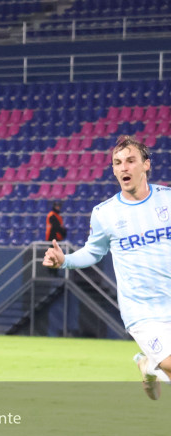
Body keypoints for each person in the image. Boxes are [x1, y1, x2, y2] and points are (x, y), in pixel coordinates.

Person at [43, 135, 171, 402]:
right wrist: (64, 260)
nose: (124, 167)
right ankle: (152, 365)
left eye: (131, 160)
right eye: (117, 162)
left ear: (146, 164)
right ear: (113, 170)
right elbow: (93, 251)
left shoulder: (168, 200)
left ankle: (148, 365)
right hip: (142, 310)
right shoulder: (105, 213)